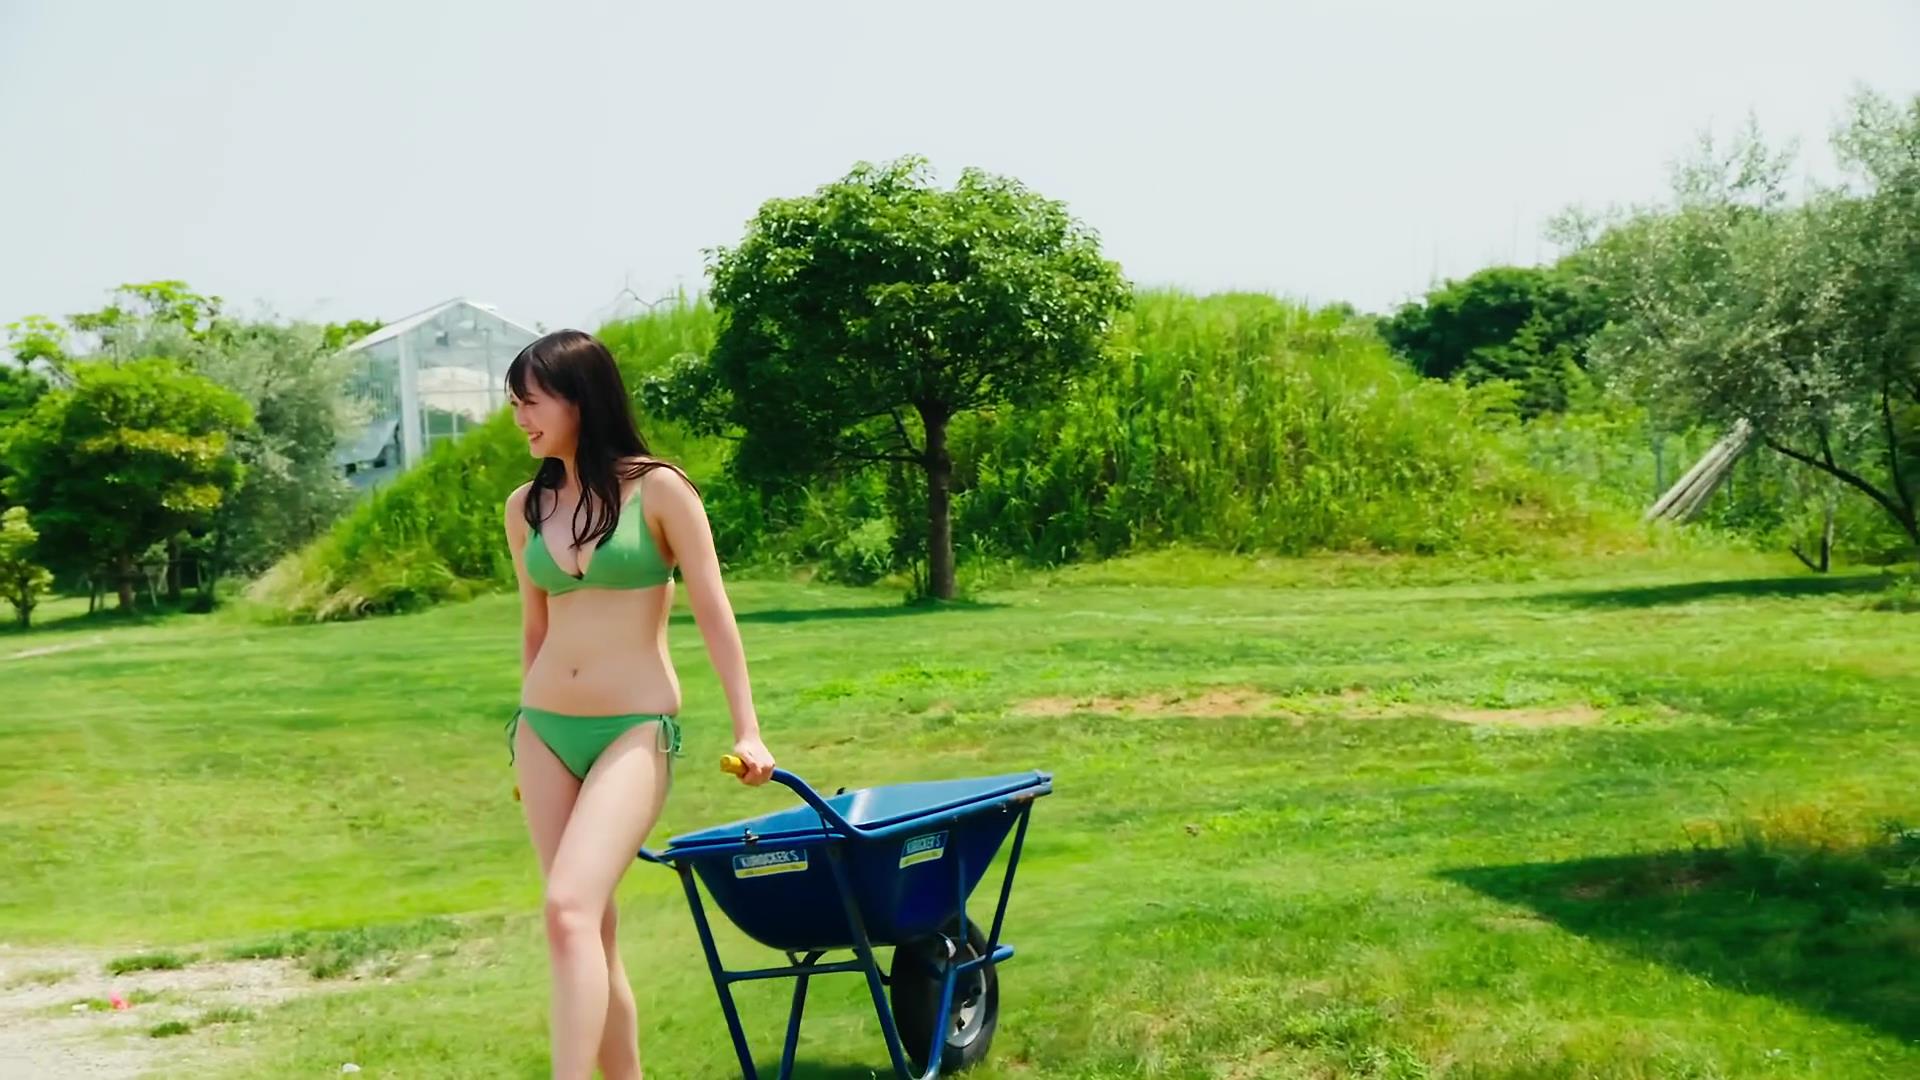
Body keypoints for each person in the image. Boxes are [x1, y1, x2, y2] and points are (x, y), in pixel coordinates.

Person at [501, 329, 776, 1079]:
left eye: (532, 402)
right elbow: (534, 628)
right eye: (514, 403)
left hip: (633, 730)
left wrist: (748, 729)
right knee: (590, 929)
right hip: (545, 732)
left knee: (567, 910)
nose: (520, 418)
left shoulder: (658, 489)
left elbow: (714, 611)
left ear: (579, 399)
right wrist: (524, 735)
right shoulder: (526, 506)